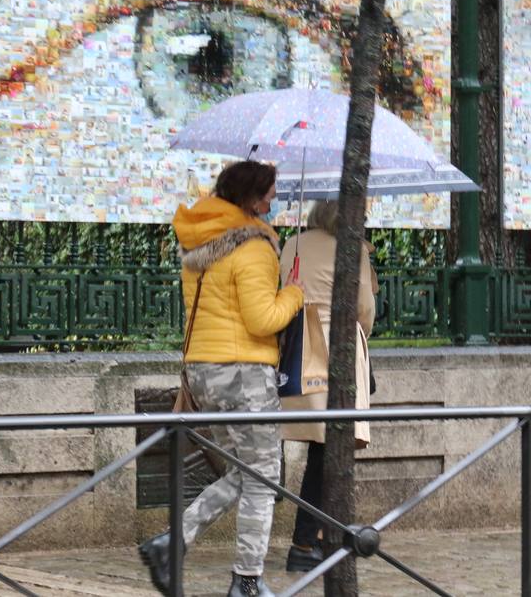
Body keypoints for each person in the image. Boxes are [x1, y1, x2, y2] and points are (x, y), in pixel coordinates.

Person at [139, 160, 305, 597]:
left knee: (247, 473)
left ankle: (169, 544)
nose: (274, 200)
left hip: (203, 372)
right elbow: (262, 318)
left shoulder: (200, 244)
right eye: (270, 192)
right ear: (251, 198)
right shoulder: (253, 249)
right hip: (244, 372)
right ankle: (246, 581)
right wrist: (294, 293)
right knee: (264, 477)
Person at [278, 199, 377, 573]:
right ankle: (307, 541)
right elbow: (364, 308)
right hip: (338, 347)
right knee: (331, 446)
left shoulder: (292, 245)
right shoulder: (354, 249)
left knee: (321, 446)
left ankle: (316, 536)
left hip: (299, 347)